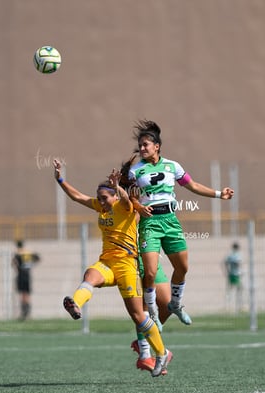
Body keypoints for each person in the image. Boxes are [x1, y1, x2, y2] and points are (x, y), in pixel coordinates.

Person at [53, 159, 172, 377]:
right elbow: (77, 197)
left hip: (127, 265)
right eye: (99, 198)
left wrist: (118, 187)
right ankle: (75, 305)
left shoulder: (124, 206)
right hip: (107, 263)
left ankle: (162, 352)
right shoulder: (102, 206)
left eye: (104, 198)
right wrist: (60, 179)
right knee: (90, 274)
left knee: (138, 316)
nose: (101, 202)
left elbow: (127, 199)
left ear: (114, 196)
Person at [128, 119, 234, 328]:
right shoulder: (135, 171)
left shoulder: (172, 166)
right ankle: (154, 312)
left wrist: (219, 193)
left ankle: (175, 304)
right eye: (140, 145)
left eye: (145, 145)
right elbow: (130, 197)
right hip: (149, 224)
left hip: (170, 221)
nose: (142, 148)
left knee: (182, 268)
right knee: (149, 272)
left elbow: (192, 185)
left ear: (156, 146)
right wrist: (139, 207)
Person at [119, 157, 172, 373]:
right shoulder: (125, 198)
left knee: (167, 304)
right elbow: (129, 205)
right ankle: (145, 354)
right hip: (133, 255)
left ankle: (143, 343)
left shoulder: (146, 195)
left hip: (148, 253)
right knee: (142, 308)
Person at [12, 239, 40, 320]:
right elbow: (37, 258)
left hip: (21, 274)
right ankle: (27, 311)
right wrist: (31, 265)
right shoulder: (28, 252)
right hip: (27, 274)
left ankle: (24, 312)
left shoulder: (18, 253)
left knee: (23, 294)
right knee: (27, 294)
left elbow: (14, 262)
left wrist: (17, 267)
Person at [224, 242, 243, 312]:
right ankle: (238, 306)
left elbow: (225, 262)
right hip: (236, 275)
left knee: (230, 290)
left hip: (231, 274)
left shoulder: (230, 255)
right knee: (238, 290)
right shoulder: (237, 255)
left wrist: (227, 271)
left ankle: (228, 306)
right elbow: (238, 263)